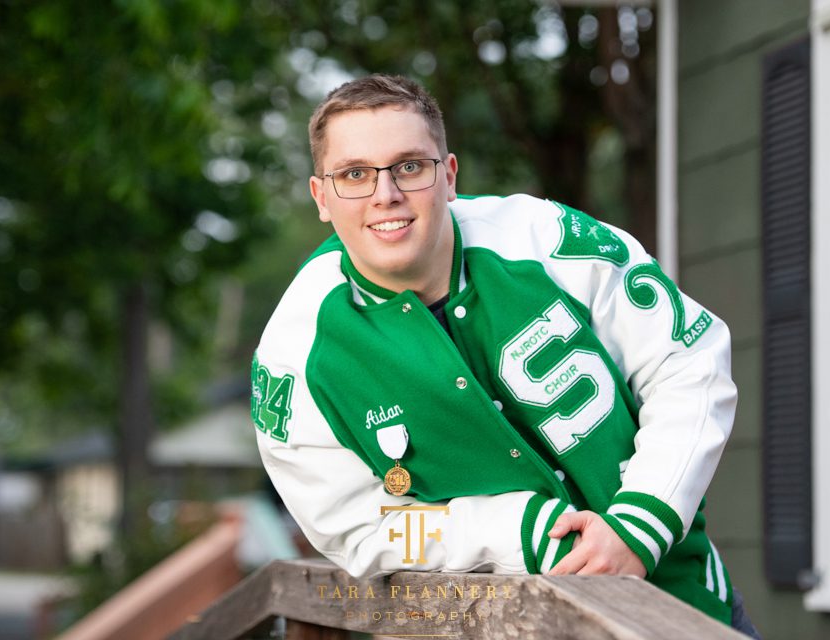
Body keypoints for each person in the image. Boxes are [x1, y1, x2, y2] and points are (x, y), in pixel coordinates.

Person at [251, 74, 758, 636]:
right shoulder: (294, 353)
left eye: (410, 166)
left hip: (680, 610)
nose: (385, 194)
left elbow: (688, 363)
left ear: (448, 176)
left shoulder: (550, 240)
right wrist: (515, 530)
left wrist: (641, 524)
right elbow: (361, 527)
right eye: (354, 175)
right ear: (321, 197)